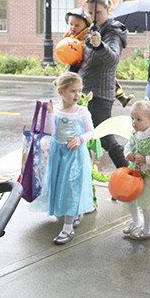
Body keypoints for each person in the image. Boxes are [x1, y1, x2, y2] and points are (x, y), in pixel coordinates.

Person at [78, 0, 129, 169]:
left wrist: (100, 45)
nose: (94, 17)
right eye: (90, 13)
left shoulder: (113, 32)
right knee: (82, 135)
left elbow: (112, 60)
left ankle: (129, 175)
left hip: (100, 94)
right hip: (85, 92)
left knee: (106, 138)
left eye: (98, 12)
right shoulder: (94, 30)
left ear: (108, 9)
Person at [44, 72, 95, 245]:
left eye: (79, 91)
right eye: (73, 91)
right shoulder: (55, 111)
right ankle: (72, 214)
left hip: (75, 156)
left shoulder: (82, 112)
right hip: (58, 154)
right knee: (61, 187)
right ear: (61, 91)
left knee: (72, 187)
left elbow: (90, 132)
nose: (77, 95)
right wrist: (50, 114)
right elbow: (50, 132)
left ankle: (67, 228)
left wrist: (80, 139)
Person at [65, 7, 134, 108]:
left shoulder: (87, 35)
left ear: (85, 26)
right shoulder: (70, 35)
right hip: (77, 63)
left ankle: (121, 96)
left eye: (77, 25)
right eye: (71, 24)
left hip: (87, 65)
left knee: (110, 78)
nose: (72, 27)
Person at [122, 100, 150, 240]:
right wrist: (127, 154)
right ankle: (136, 221)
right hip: (134, 174)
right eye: (132, 118)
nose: (134, 122)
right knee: (130, 199)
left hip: (149, 175)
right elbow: (127, 146)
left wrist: (146, 159)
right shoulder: (134, 134)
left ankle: (148, 229)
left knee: (144, 203)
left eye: (139, 119)